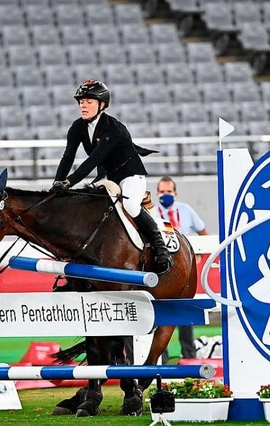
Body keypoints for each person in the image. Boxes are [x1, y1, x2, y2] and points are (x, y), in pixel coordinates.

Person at [49, 80, 173, 275]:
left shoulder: (114, 128)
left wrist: (69, 182)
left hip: (130, 175)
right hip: (107, 176)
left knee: (131, 206)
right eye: (81, 101)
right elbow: (68, 157)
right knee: (90, 205)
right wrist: (56, 183)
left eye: (89, 101)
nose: (83, 105)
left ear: (102, 105)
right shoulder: (77, 127)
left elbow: (93, 160)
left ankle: (160, 248)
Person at [156, 176, 207, 359]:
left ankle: (189, 357)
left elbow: (203, 232)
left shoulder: (186, 211)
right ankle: (161, 358)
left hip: (185, 270)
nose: (165, 195)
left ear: (175, 193)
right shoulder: (152, 213)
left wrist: (199, 255)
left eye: (169, 191)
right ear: (157, 193)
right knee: (160, 314)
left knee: (185, 311)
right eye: (162, 192)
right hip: (161, 271)